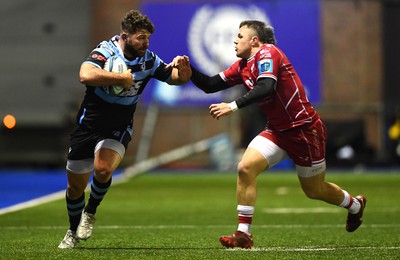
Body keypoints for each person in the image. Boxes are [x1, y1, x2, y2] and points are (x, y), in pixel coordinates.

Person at [188, 20, 366, 249]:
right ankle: (243, 234)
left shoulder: (268, 53)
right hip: (277, 131)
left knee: (314, 190)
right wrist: (189, 69)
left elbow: (266, 87)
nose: (235, 40)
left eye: (240, 36)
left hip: (304, 130)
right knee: (245, 168)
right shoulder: (243, 65)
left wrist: (232, 106)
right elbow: (211, 84)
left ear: (254, 40)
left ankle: (355, 206)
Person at [58, 10, 191, 249]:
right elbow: (85, 74)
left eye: (148, 38)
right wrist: (119, 79)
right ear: (125, 36)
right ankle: (72, 230)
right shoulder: (105, 51)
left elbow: (174, 78)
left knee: (103, 168)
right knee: (75, 186)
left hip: (119, 125)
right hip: (89, 123)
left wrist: (184, 71)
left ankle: (90, 212)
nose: (146, 43)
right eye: (141, 38)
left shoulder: (148, 59)